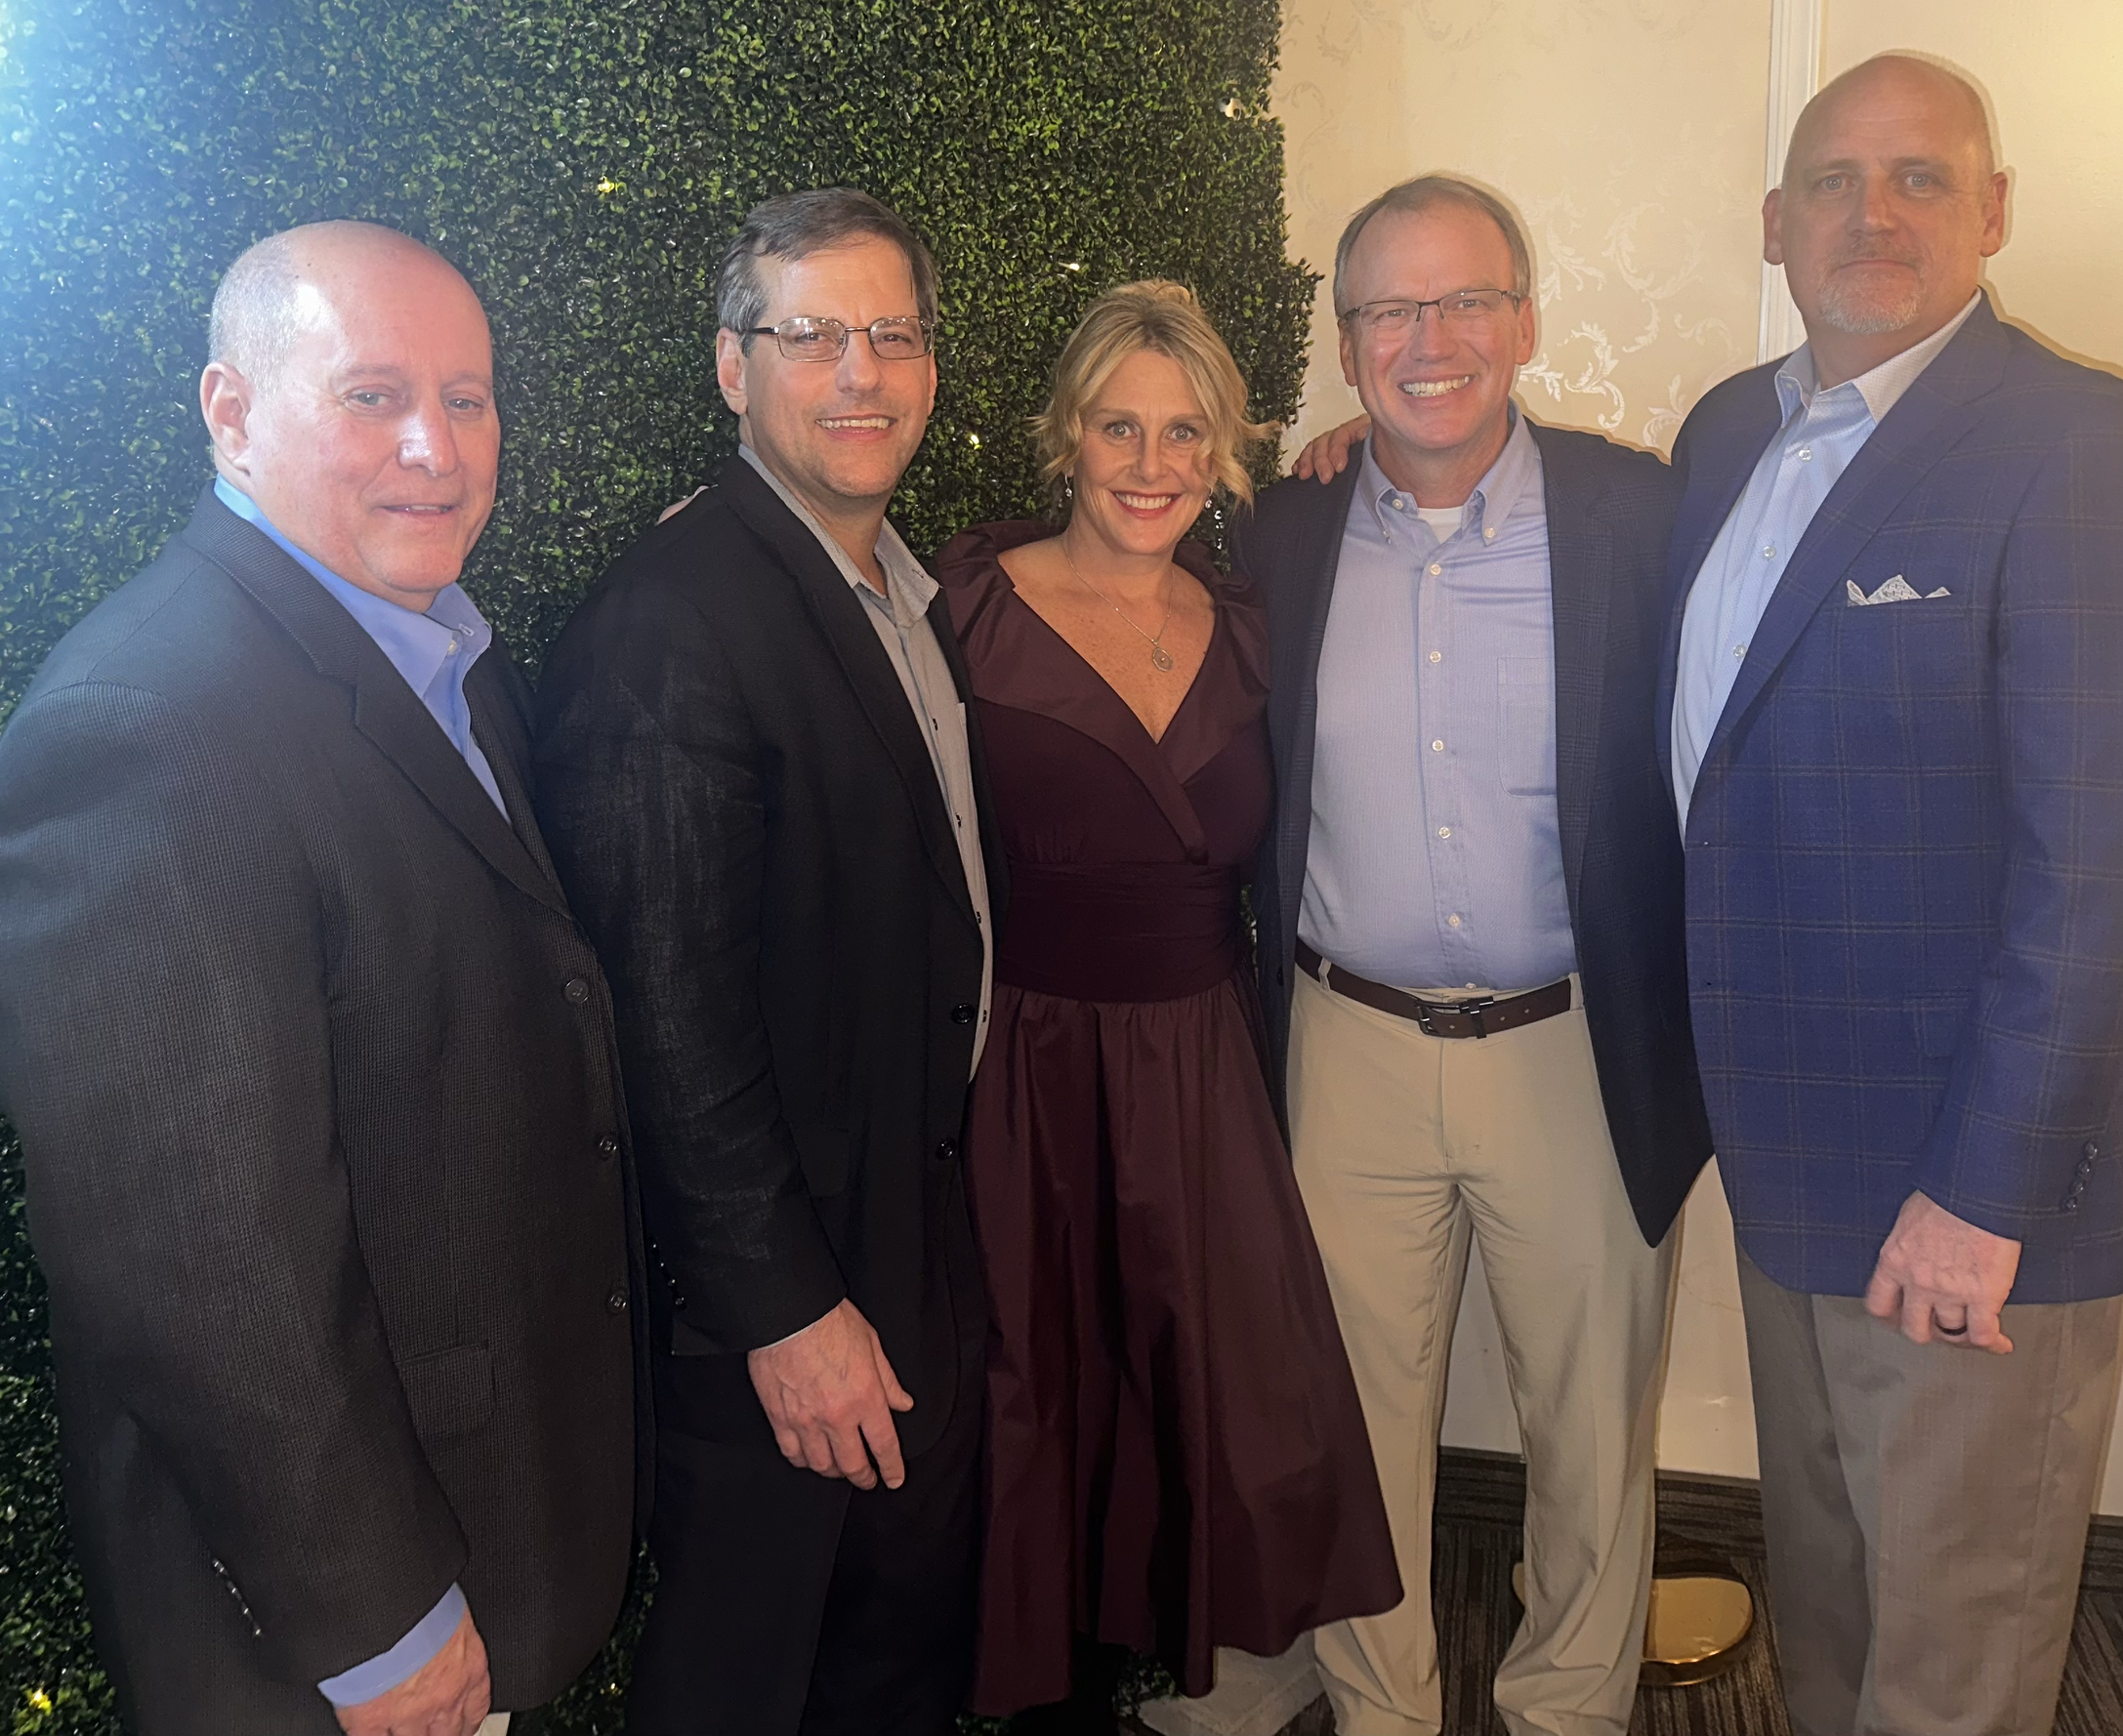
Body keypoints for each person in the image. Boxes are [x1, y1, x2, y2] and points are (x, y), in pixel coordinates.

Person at [0, 221, 643, 1736]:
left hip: (476, 1511)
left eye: (469, 397)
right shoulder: (150, 722)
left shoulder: (449, 657)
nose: (435, 445)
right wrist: (380, 1625)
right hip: (339, 1640)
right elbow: (197, 1257)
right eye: (370, 395)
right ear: (232, 411)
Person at [1664, 55, 2123, 1735]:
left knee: (1956, 1654)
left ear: (1994, 214)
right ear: (1777, 224)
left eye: (1923, 178)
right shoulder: (1722, 435)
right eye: (1836, 178)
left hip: (1977, 1197)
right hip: (1791, 1165)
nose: (1876, 212)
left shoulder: (2093, 455)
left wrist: (1982, 1193)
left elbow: (2107, 875)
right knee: (1836, 1616)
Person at [1242, 177, 1714, 1736]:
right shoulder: (1278, 526)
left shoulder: (1637, 516)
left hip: (1574, 1046)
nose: (1429, 341)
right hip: (1344, 1046)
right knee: (1351, 1427)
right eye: (1389, 309)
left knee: (1591, 1428)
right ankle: (1382, 1708)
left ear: (1521, 319)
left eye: (1463, 303)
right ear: (1347, 338)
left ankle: (1570, 1709)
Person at [531, 188, 998, 1736]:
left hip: (898, 1226)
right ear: (735, 369)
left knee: (882, 1657)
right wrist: (789, 1315)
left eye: (892, 333)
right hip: (781, 1303)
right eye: (811, 335)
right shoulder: (675, 622)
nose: (860, 371)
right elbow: (661, 1024)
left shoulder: (894, 592)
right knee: (756, 1674)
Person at [935, 280, 1399, 1731]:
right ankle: (1042, 1695)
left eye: (1183, 430)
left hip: (1204, 1067)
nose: (1149, 464)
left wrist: (1351, 443)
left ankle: (1194, 1673)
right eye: (1118, 427)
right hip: (1026, 1071)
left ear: (1227, 448)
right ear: (1064, 436)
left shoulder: (1255, 622)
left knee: (1218, 1399)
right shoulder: (968, 606)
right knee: (1038, 1399)